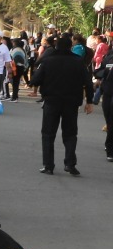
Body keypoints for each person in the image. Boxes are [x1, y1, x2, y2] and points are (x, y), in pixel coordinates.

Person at [32, 35, 95, 176]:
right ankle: (70, 164)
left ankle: (48, 166)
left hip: (51, 101)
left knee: (48, 134)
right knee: (70, 134)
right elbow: (88, 83)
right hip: (71, 103)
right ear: (70, 47)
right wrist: (89, 102)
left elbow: (35, 80)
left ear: (56, 46)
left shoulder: (48, 61)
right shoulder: (78, 62)